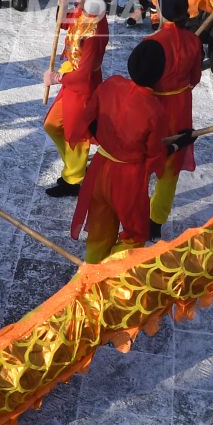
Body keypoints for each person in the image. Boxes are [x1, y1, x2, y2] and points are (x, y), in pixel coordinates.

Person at [72, 43, 168, 264]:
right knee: (135, 234)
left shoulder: (111, 84)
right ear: (159, 73)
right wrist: (171, 148)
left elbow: (89, 117)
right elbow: (154, 154)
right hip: (128, 179)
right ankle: (111, 276)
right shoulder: (155, 110)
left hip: (99, 167)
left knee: (99, 229)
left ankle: (90, 272)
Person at [145, 0, 204, 237]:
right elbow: (195, 78)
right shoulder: (194, 41)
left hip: (155, 107)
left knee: (144, 158)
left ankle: (133, 210)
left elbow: (142, 81)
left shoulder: (151, 44)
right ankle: (156, 220)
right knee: (170, 168)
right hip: (180, 106)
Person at [43, 0, 107, 199]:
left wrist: (57, 78)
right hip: (72, 83)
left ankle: (73, 180)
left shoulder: (95, 31)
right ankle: (76, 168)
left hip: (82, 87)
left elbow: (85, 73)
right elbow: (63, 22)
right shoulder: (84, 12)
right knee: (52, 125)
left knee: (76, 134)